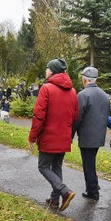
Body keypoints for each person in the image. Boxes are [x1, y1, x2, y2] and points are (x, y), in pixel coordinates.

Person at [28, 58, 79, 211]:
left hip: (49, 136)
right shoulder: (72, 91)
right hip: (64, 136)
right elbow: (75, 115)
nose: (46, 70)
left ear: (52, 71)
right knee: (56, 167)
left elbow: (39, 116)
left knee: (43, 166)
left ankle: (64, 191)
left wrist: (32, 136)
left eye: (47, 68)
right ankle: (55, 201)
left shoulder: (47, 88)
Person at [74, 66, 110, 200]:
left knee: (88, 164)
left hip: (87, 136)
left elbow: (77, 117)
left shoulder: (83, 95)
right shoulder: (104, 95)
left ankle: (93, 191)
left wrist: (71, 134)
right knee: (91, 161)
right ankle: (94, 184)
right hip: (99, 135)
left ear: (84, 79)